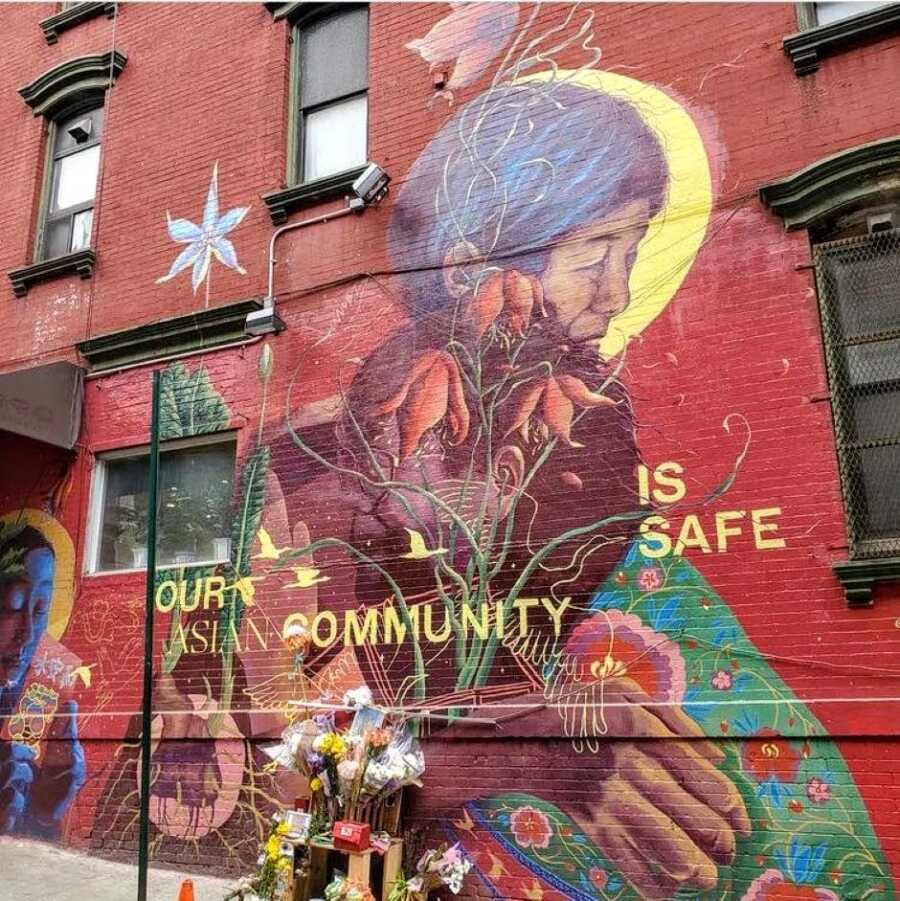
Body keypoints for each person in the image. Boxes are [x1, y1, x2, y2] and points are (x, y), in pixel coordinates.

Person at [275, 80, 893, 898]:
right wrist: (530, 746)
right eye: (593, 254)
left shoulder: (598, 443)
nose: (619, 293)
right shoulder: (315, 459)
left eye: (633, 252)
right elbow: (301, 739)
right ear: (469, 269)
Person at [0, 524, 85, 838]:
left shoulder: (40, 698)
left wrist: (44, 812)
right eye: (14, 607)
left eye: (40, 610)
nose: (28, 633)